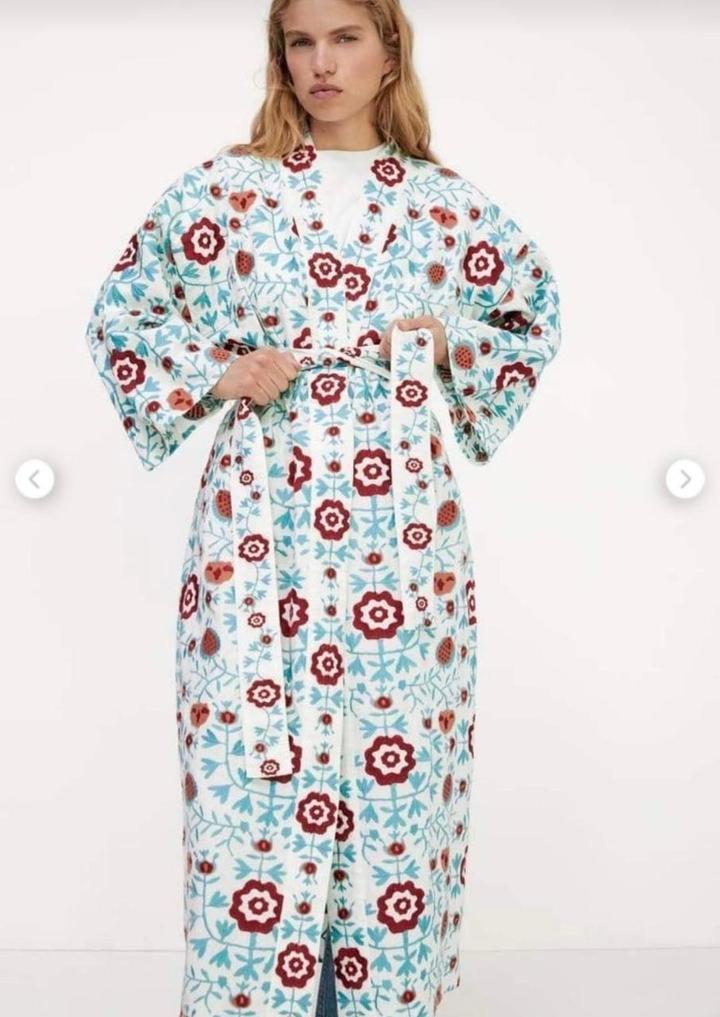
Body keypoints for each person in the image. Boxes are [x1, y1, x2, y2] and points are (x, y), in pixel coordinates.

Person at [83, 1, 562, 1015]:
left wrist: (445, 341)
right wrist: (220, 372)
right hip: (259, 520)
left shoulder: (445, 205)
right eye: (300, 42)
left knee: (397, 772)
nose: (322, 63)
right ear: (281, 58)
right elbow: (122, 311)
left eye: (345, 38)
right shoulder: (224, 190)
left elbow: (530, 315)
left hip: (404, 531)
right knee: (247, 768)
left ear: (390, 52)